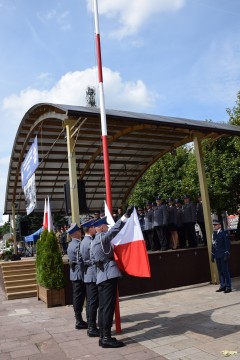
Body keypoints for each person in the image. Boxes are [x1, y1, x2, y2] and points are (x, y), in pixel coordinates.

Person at [90, 207, 134, 348]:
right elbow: (116, 229)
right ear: (102, 227)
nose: (107, 228)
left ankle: (103, 335)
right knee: (108, 308)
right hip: (109, 275)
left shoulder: (93, 242)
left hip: (100, 277)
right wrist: (125, 216)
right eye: (105, 226)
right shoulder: (103, 237)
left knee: (103, 308)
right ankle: (106, 338)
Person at [80, 218, 99, 337]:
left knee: (90, 302)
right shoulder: (90, 242)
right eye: (94, 227)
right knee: (93, 303)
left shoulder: (84, 241)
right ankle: (91, 328)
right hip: (92, 275)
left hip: (88, 274)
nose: (95, 229)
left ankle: (91, 326)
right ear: (90, 228)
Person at [67, 224, 88, 330]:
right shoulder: (78, 245)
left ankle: (78, 319)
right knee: (79, 298)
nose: (81, 232)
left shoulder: (71, 244)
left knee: (77, 297)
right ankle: (79, 321)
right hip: (80, 275)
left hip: (75, 274)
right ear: (76, 233)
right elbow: (81, 261)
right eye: (79, 231)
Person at [211, 220, 232, 293]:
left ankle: (228, 287)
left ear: (220, 225)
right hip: (217, 255)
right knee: (220, 271)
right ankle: (222, 286)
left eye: (216, 225)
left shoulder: (224, 233)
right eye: (214, 225)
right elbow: (213, 245)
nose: (215, 226)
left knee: (225, 271)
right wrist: (212, 255)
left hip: (223, 255)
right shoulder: (214, 234)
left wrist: (227, 254)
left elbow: (227, 245)